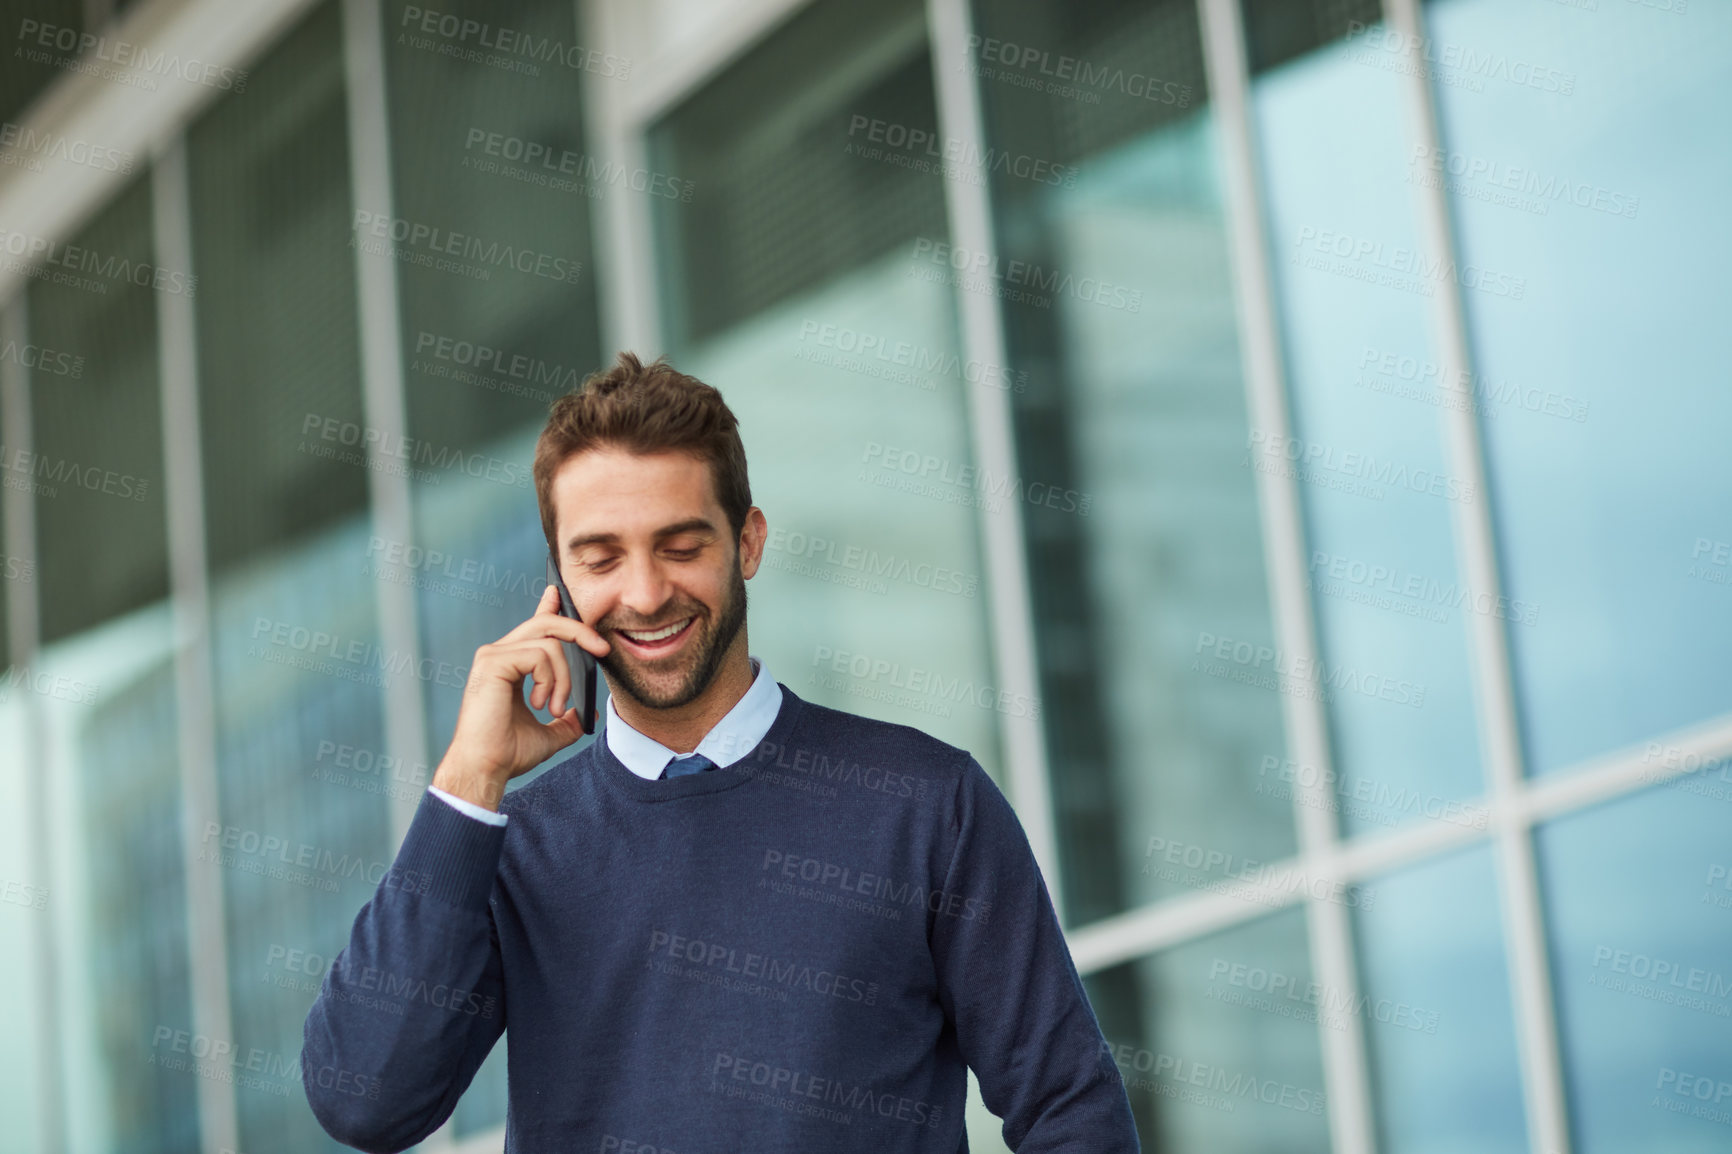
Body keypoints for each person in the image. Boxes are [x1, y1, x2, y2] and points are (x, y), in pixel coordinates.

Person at [302, 352, 1140, 1152]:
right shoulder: (511, 850)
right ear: (559, 580)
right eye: (601, 558)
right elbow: (363, 1097)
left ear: (747, 542)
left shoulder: (925, 803)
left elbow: (1069, 1107)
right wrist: (468, 779)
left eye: (681, 546)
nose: (645, 593)